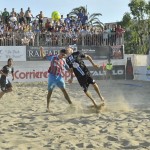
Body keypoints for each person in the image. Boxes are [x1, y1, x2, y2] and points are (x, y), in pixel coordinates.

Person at [40, 47, 72, 112]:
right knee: (50, 91)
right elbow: (43, 57)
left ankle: (71, 104)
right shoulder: (53, 57)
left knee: (64, 91)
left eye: (64, 55)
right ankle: (47, 107)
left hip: (59, 77)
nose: (63, 56)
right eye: (62, 54)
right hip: (52, 76)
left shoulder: (63, 60)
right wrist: (41, 50)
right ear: (60, 53)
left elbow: (68, 69)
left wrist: (72, 70)